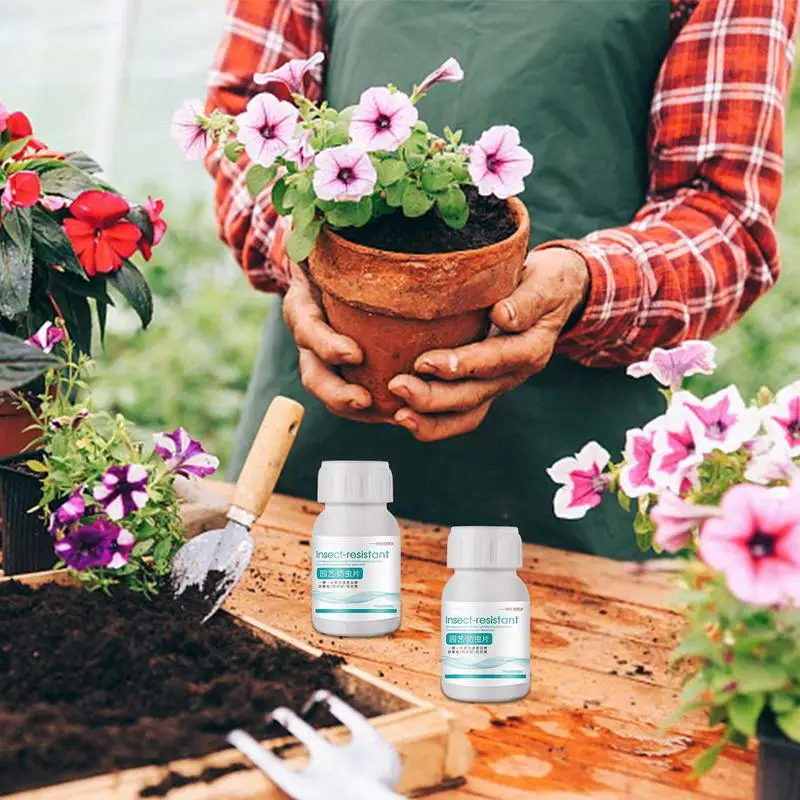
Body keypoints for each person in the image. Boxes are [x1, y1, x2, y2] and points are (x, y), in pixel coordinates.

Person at [205, 0, 798, 559]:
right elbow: (245, 115)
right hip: (326, 428)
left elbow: (724, 215)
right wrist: (301, 250)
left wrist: (584, 281)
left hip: (570, 467)